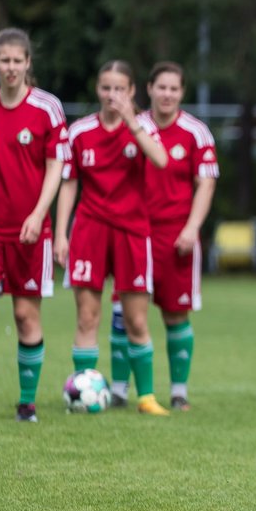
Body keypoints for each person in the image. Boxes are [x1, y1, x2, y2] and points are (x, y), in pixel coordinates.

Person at [54, 60, 171, 415]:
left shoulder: (144, 127)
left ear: (133, 91)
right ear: (97, 89)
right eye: (106, 88)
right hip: (89, 229)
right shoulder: (81, 131)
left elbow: (162, 160)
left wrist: (132, 122)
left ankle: (146, 397)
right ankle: (82, 390)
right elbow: (69, 182)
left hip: (132, 231)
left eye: (120, 88)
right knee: (87, 317)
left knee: (136, 319)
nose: (112, 95)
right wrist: (61, 233)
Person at [108, 62, 218, 411]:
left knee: (175, 315)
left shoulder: (196, 132)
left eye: (174, 88)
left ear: (181, 93)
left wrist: (192, 227)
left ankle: (179, 390)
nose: (168, 94)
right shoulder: (132, 127)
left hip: (175, 236)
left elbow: (206, 184)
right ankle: (119, 390)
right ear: (148, 89)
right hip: (132, 233)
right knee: (123, 314)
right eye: (162, 87)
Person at [0, 28, 69, 422]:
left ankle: (27, 402)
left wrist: (38, 214)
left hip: (31, 231)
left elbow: (57, 166)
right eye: (4, 60)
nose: (11, 67)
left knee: (25, 316)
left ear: (28, 63)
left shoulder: (47, 108)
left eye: (18, 60)